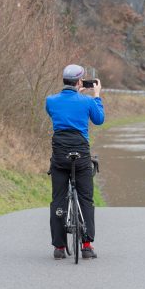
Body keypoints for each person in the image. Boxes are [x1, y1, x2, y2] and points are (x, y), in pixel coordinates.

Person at [45, 64, 104, 260]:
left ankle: (59, 248)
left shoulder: (50, 101)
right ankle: (87, 246)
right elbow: (99, 119)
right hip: (81, 157)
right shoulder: (87, 101)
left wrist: (75, 94)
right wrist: (96, 96)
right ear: (80, 82)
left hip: (60, 157)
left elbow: (60, 112)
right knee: (86, 199)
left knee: (58, 200)